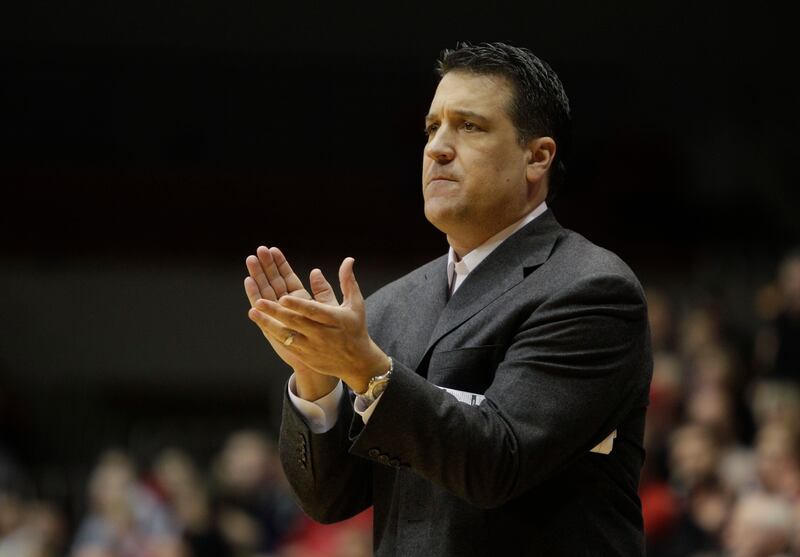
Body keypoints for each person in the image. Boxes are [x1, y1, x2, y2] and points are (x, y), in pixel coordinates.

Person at [243, 42, 652, 556]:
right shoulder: (394, 303)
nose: (437, 146)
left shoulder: (590, 289)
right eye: (431, 127)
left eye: (469, 126)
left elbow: (497, 462)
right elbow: (331, 499)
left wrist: (367, 369)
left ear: (537, 156)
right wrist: (317, 374)